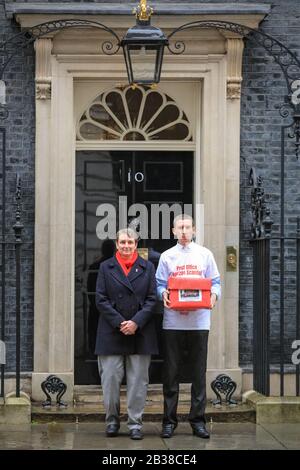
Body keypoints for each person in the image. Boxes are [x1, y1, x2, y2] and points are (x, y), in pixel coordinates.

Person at [156, 214, 221, 439]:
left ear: (194, 230)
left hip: (199, 322)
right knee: (171, 374)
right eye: (179, 227)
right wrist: (162, 293)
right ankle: (169, 421)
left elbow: (215, 282)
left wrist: (214, 296)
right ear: (173, 231)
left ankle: (198, 421)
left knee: (198, 374)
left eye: (187, 227)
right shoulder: (166, 256)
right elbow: (160, 283)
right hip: (173, 323)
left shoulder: (205, 254)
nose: (183, 231)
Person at [95, 228, 158, 440]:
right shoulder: (106, 267)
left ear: (136, 243)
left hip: (140, 332)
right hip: (112, 331)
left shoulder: (148, 267)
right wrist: (120, 322)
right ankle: (112, 421)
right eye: (122, 242)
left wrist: (136, 322)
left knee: (138, 381)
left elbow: (152, 299)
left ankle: (135, 424)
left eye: (130, 242)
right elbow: (100, 299)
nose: (126, 246)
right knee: (110, 378)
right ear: (116, 243)